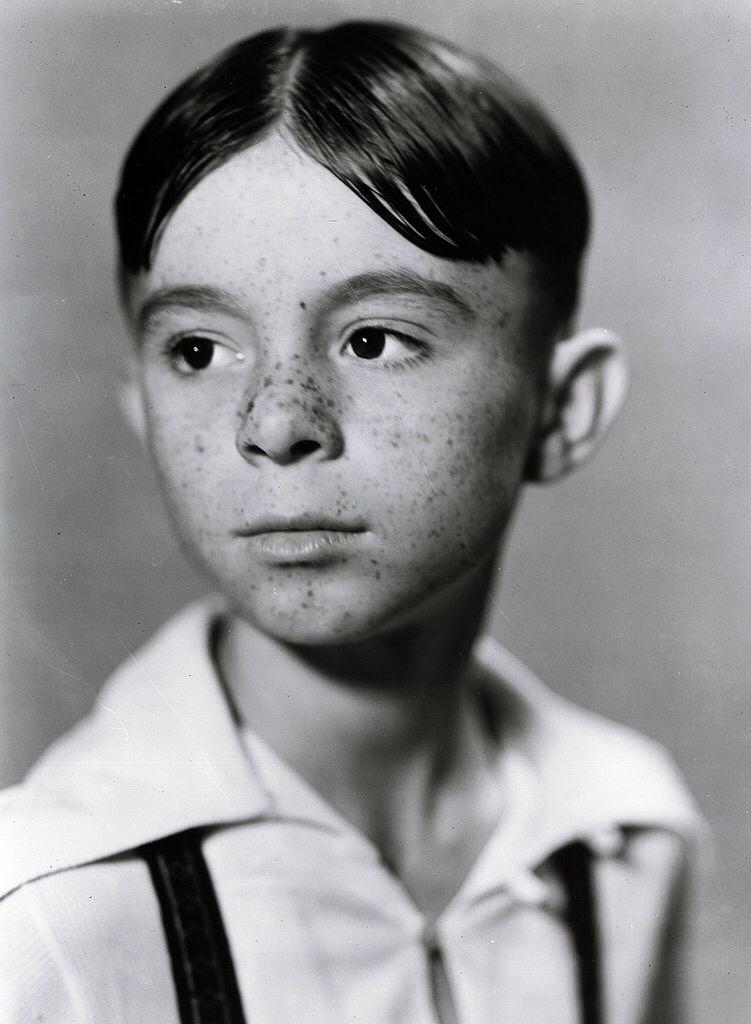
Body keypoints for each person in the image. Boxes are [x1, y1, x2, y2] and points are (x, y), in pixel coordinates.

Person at [0, 20, 703, 1024]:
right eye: (200, 351)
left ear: (563, 405)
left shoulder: (624, 839)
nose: (277, 422)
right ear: (142, 408)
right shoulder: (46, 908)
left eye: (376, 339)